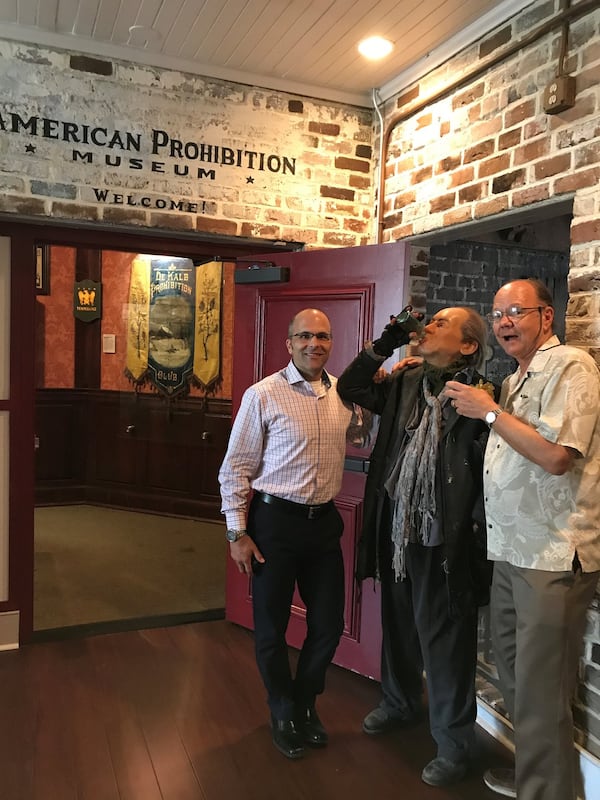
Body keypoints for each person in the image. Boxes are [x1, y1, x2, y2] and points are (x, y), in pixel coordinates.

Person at [444, 278, 600, 800]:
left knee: (538, 685)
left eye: (516, 311)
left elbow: (558, 457)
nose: (504, 321)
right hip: (510, 547)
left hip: (551, 551)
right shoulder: (515, 377)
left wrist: (488, 411)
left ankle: (548, 792)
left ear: (547, 317)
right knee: (514, 675)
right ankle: (537, 775)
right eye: (497, 314)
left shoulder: (571, 365)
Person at [337, 306, 497, 787]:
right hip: (397, 526)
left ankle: (453, 747)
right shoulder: (406, 382)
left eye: (441, 324)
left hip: (444, 537)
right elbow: (350, 388)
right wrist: (386, 343)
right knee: (399, 623)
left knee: (446, 643)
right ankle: (399, 703)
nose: (427, 327)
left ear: (468, 346)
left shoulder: (484, 396)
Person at [218, 307, 363, 761]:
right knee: (271, 627)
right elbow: (235, 468)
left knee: (328, 625)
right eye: (304, 336)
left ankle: (304, 702)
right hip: (273, 525)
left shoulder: (347, 395)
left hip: (323, 525)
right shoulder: (263, 395)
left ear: (331, 342)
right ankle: (282, 710)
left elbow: (362, 432)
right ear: (289, 343)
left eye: (322, 336)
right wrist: (236, 531)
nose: (313, 344)